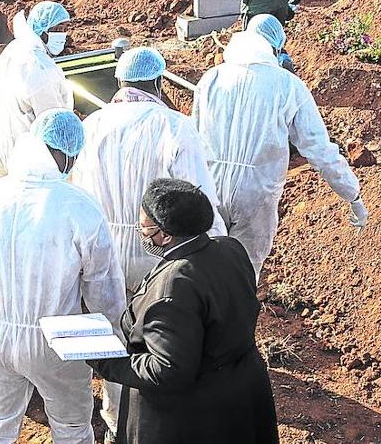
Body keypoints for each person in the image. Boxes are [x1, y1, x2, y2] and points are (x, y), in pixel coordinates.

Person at [70, 46, 227, 439]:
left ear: (119, 83)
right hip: (155, 249)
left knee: (113, 337)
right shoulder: (174, 126)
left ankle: (115, 421)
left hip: (101, 251)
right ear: (158, 82)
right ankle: (159, 417)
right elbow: (198, 198)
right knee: (164, 334)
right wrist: (220, 246)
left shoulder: (90, 126)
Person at [0, 109, 126, 444]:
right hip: (57, 338)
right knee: (71, 426)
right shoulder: (78, 205)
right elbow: (103, 287)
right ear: (67, 154)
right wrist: (114, 339)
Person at [90, 179, 278, 444]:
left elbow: (167, 370)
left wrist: (107, 362)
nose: (142, 234)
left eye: (144, 229)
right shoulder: (230, 248)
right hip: (241, 391)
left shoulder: (173, 288)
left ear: (165, 235)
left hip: (193, 415)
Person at [193, 29, 367, 278]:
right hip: (257, 193)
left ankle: (202, 315)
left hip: (210, 187)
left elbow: (195, 136)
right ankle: (236, 315)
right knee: (243, 274)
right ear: (274, 49)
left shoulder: (211, 78)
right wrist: (352, 194)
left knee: (204, 270)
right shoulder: (287, 85)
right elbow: (318, 148)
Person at [0, 1, 73, 177]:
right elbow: (54, 122)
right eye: (57, 29)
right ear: (42, 29)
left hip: (6, 152)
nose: (63, 35)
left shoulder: (15, 50)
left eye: (65, 28)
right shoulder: (38, 65)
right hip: (33, 163)